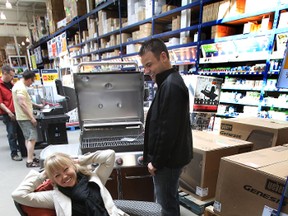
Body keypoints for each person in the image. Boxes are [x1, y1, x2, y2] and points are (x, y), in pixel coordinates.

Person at [139, 38, 193, 216]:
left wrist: (156, 162)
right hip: (169, 160)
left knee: (166, 205)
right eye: (144, 67)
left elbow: (167, 131)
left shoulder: (171, 85)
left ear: (163, 57)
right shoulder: (168, 82)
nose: (147, 71)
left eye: (149, 65)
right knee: (169, 198)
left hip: (167, 162)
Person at [12, 149, 128, 216]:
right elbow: (19, 195)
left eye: (66, 169)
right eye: (57, 175)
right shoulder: (55, 197)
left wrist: (79, 160)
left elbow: (109, 155)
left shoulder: (93, 179)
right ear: (53, 180)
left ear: (73, 166)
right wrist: (43, 175)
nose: (64, 176)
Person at [12, 70, 42, 168]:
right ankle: (29, 160)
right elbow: (22, 103)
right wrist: (31, 117)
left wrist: (37, 105)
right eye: (32, 81)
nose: (32, 83)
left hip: (21, 117)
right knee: (32, 138)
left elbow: (25, 101)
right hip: (25, 117)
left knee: (28, 138)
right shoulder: (21, 88)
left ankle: (31, 158)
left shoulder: (18, 85)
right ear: (28, 79)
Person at [0, 65, 26, 161]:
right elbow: (0, 102)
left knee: (20, 133)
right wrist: (8, 112)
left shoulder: (11, 84)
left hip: (17, 112)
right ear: (5, 73)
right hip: (8, 113)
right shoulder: (0, 85)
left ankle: (24, 152)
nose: (12, 77)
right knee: (11, 134)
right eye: (11, 75)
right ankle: (14, 154)